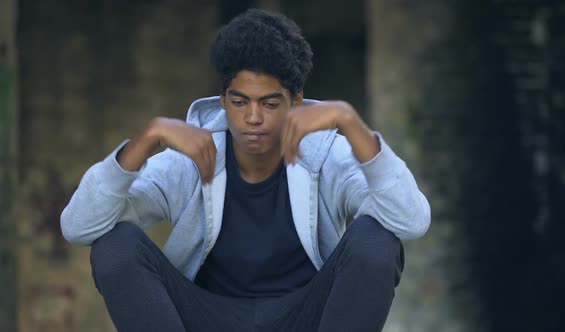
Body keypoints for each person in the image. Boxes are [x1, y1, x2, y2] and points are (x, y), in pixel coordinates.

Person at [61, 8, 430, 332]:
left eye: (270, 103)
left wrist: (351, 123)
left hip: (305, 317)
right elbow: (80, 227)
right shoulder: (192, 157)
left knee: (377, 239)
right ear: (222, 99)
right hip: (206, 317)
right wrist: (146, 139)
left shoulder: (327, 156)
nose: (253, 118)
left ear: (296, 99)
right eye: (239, 102)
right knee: (114, 246)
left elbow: (410, 221)